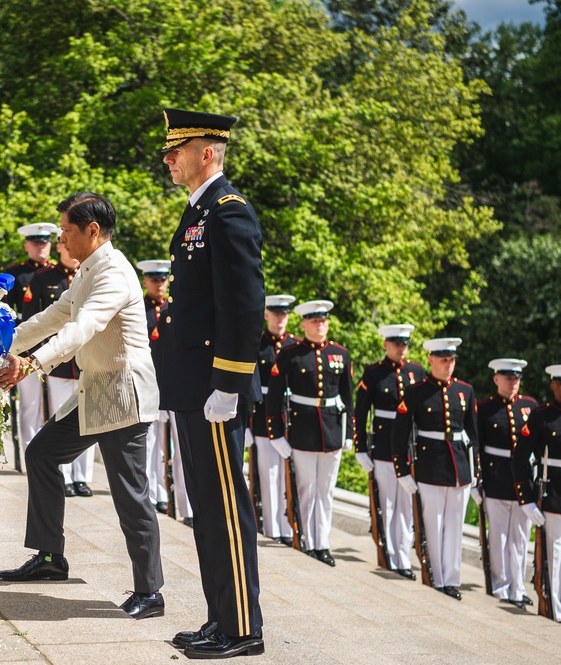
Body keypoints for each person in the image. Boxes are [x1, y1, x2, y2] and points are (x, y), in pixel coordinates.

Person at [0, 192, 165, 621]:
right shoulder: (88, 269)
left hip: (123, 394)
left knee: (130, 495)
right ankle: (51, 557)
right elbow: (54, 316)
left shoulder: (115, 274)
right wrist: (0, 344)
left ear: (92, 231)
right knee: (42, 454)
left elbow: (83, 327)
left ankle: (150, 592)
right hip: (95, 388)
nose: (61, 240)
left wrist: (33, 362)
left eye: (67, 231)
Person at [160, 108, 265, 658]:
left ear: (208, 152)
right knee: (205, 507)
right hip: (194, 389)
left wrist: (228, 385)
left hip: (215, 391)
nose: (168, 159)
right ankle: (219, 617)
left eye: (177, 150)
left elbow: (245, 309)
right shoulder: (197, 213)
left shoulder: (228, 212)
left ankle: (243, 628)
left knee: (226, 510)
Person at [265, 300, 354, 568]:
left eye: (323, 320)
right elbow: (274, 397)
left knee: (326, 491)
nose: (320, 325)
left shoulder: (340, 354)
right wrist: (276, 434)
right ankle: (304, 539)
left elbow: (348, 398)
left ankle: (322, 543)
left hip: (332, 432)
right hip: (302, 432)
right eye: (315, 321)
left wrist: (349, 433)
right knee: (306, 489)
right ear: (303, 324)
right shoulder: (291, 354)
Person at [391, 337, 478, 601]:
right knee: (433, 526)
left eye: (452, 360)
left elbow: (473, 435)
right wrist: (402, 470)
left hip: (460, 468)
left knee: (454, 528)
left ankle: (452, 580)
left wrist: (475, 472)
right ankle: (436, 577)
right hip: (430, 467)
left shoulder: (465, 390)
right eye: (443, 360)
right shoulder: (417, 392)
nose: (448, 364)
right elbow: (400, 433)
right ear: (431, 360)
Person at [22, 240, 95, 497]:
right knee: (61, 419)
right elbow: (37, 319)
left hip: (85, 361)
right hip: (60, 365)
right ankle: (63, 476)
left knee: (89, 423)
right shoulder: (44, 277)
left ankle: (82, 478)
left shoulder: (91, 275)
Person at [353, 324, 425, 579]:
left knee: (406, 506)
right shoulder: (374, 373)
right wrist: (360, 447)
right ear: (385, 344)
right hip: (383, 447)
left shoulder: (418, 372)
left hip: (409, 449)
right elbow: (360, 413)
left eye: (404, 343)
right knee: (389, 504)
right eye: (396, 343)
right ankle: (391, 556)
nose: (400, 348)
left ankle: (403, 557)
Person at [476, 358, 538, 607]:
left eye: (516, 378)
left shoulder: (530, 406)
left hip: (523, 481)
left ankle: (518, 588)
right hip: (497, 478)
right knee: (499, 536)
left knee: (521, 537)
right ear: (496, 379)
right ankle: (501, 587)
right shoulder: (485, 407)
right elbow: (478, 445)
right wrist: (476, 481)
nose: (512, 382)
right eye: (508, 377)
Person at [138, 259, 194, 524]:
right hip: (150, 386)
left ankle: (185, 505)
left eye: (163, 280)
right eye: (154, 279)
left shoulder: (178, 307)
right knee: (151, 447)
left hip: (180, 385)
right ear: (145, 281)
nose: (159, 284)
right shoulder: (139, 308)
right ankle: (153, 497)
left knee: (182, 450)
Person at [4, 223, 59, 450]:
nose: (41, 247)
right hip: (26, 347)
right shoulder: (16, 273)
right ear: (27, 245)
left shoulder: (59, 272)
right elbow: (5, 311)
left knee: (57, 406)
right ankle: (29, 452)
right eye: (35, 243)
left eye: (44, 242)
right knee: (30, 404)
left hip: (55, 346)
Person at [512, 364, 561, 621]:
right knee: (553, 557)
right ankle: (554, 610)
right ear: (553, 385)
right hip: (552, 494)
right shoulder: (541, 416)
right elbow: (520, 459)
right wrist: (527, 500)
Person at [248, 294, 298, 545]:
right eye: (276, 313)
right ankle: (272, 527)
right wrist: (247, 422)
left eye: (284, 314)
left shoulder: (295, 345)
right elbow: (247, 385)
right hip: (261, 418)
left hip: (290, 421)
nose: (280, 318)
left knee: (289, 477)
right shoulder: (257, 344)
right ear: (267, 315)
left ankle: (288, 527)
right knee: (269, 476)